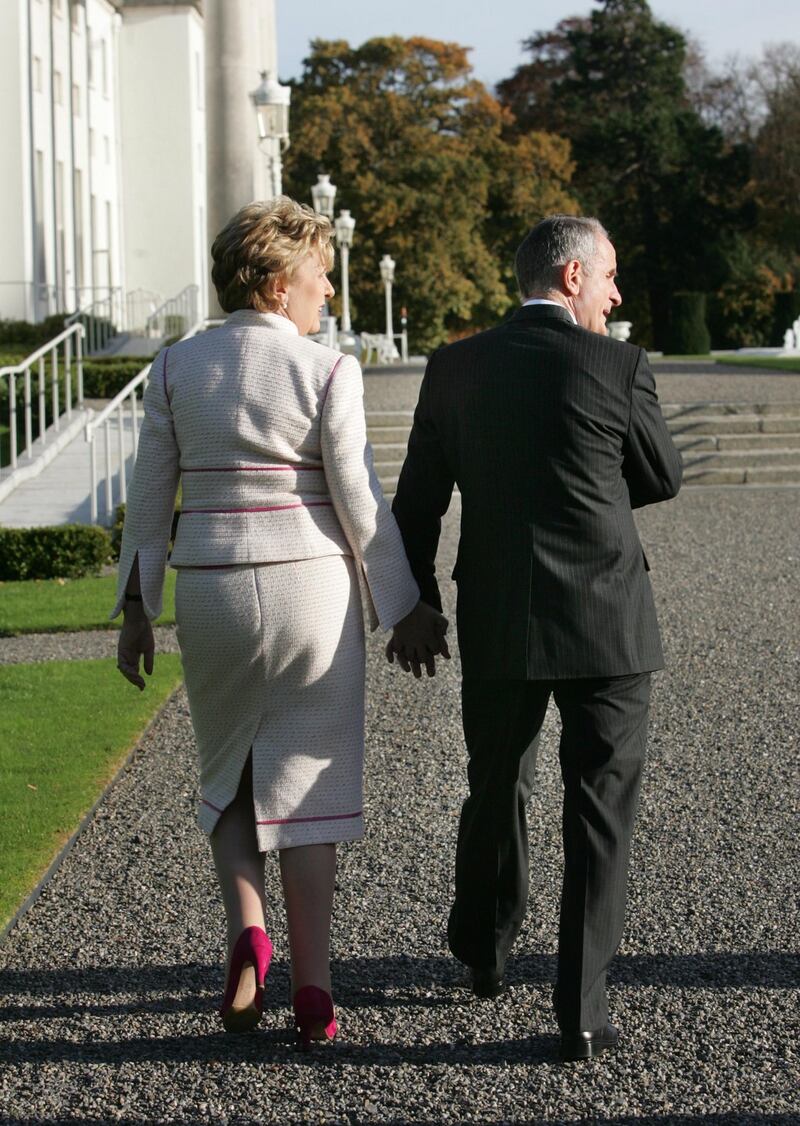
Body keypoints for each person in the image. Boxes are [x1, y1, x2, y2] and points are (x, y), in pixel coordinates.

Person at [114, 196, 447, 1045]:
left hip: (215, 589)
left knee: (228, 767)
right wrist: (403, 608)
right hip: (311, 591)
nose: (329, 292)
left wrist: (135, 611)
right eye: (320, 276)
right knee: (309, 783)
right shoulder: (327, 369)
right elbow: (359, 499)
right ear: (275, 281)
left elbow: (151, 497)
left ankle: (247, 933)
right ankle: (314, 989)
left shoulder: (178, 368)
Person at [388, 215, 682, 1061]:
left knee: (494, 787)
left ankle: (483, 953)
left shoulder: (454, 368)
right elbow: (661, 475)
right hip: (610, 620)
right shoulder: (618, 365)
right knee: (600, 811)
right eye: (612, 276)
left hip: (497, 611)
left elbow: (419, 504)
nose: (618, 294)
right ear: (572, 277)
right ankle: (582, 1011)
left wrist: (415, 608)